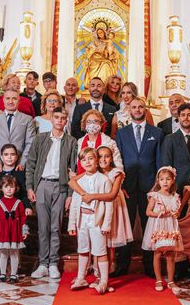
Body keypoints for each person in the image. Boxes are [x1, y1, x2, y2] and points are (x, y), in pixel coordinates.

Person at [25, 108, 78, 280]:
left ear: (66, 121)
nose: (60, 121)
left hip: (60, 187)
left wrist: (70, 194)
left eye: (63, 118)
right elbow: (31, 164)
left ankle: (53, 263)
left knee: (55, 227)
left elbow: (73, 170)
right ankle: (42, 263)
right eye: (57, 117)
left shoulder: (71, 142)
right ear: (52, 119)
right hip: (42, 185)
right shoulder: (40, 139)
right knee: (43, 226)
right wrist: (30, 187)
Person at [115, 97, 164, 277]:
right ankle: (122, 266)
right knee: (125, 226)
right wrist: (119, 184)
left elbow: (160, 161)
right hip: (127, 187)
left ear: (145, 109)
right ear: (129, 110)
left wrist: (156, 187)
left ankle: (150, 267)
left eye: (140, 107)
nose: (137, 109)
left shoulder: (156, 133)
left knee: (148, 227)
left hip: (149, 188)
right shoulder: (122, 133)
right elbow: (117, 160)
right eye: (134, 107)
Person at [69, 145, 132, 274]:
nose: (103, 159)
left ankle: (109, 271)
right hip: (98, 209)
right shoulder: (92, 172)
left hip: (113, 207)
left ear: (111, 159)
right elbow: (72, 182)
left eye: (107, 156)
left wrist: (91, 197)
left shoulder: (116, 172)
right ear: (97, 159)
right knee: (98, 242)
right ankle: (96, 269)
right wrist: (83, 194)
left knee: (110, 241)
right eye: (101, 156)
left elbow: (112, 195)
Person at [68, 147, 114, 294]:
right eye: (83, 159)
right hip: (82, 219)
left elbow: (109, 204)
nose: (87, 162)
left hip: (97, 220)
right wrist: (72, 223)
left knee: (100, 251)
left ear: (96, 161)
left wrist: (106, 223)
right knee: (83, 249)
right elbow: (75, 203)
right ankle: (81, 277)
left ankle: (104, 281)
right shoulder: (79, 180)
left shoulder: (104, 180)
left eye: (90, 158)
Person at [0, 143, 32, 278]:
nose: (9, 157)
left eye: (12, 154)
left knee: (14, 243)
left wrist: (27, 206)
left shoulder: (19, 172)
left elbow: (23, 193)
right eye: (6, 155)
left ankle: (14, 269)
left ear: (17, 157)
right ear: (1, 156)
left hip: (14, 216)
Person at [144, 167, 183, 294]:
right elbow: (148, 212)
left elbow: (176, 214)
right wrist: (160, 213)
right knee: (158, 253)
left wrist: (175, 213)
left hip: (170, 227)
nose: (165, 182)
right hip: (158, 227)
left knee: (171, 255)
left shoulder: (175, 197)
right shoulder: (155, 196)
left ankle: (171, 280)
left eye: (168, 179)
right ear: (158, 181)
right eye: (162, 179)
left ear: (173, 181)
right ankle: (159, 279)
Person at [0, 89, 36, 173]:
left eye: (14, 99)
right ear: (3, 100)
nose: (11, 101)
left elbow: (30, 143)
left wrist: (22, 162)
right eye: (8, 98)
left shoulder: (27, 119)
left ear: (19, 101)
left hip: (19, 167)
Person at [160, 103, 190, 193]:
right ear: (178, 118)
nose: (186, 118)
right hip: (176, 188)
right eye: (183, 115)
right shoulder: (170, 139)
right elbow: (166, 166)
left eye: (189, 115)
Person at [0, 175, 27, 283]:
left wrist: (24, 230)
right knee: (3, 253)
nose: (9, 189)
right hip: (3, 232)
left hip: (15, 232)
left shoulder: (19, 203)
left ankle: (14, 274)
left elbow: (23, 218)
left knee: (14, 253)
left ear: (16, 188)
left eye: (12, 187)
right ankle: (2, 273)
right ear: (1, 188)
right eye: (6, 186)